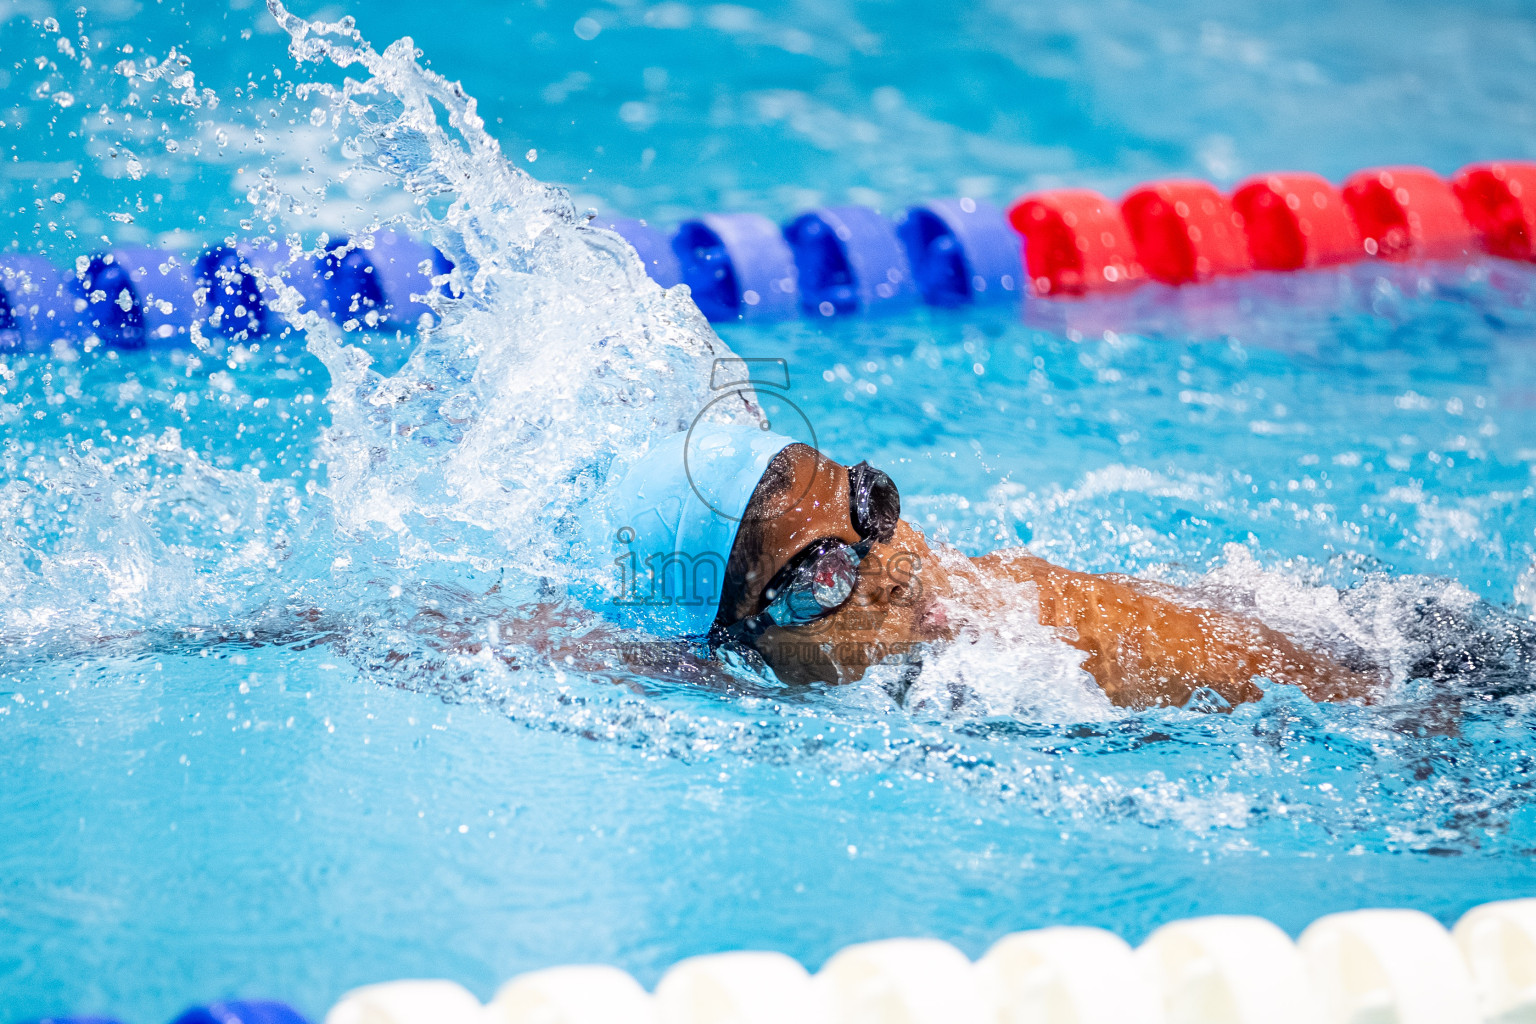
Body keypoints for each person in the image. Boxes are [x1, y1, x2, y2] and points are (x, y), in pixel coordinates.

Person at [590, 423, 1385, 709]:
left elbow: (1361, 698)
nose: (889, 565)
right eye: (824, 576)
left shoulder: (1016, 660)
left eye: (872, 506)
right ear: (743, 650)